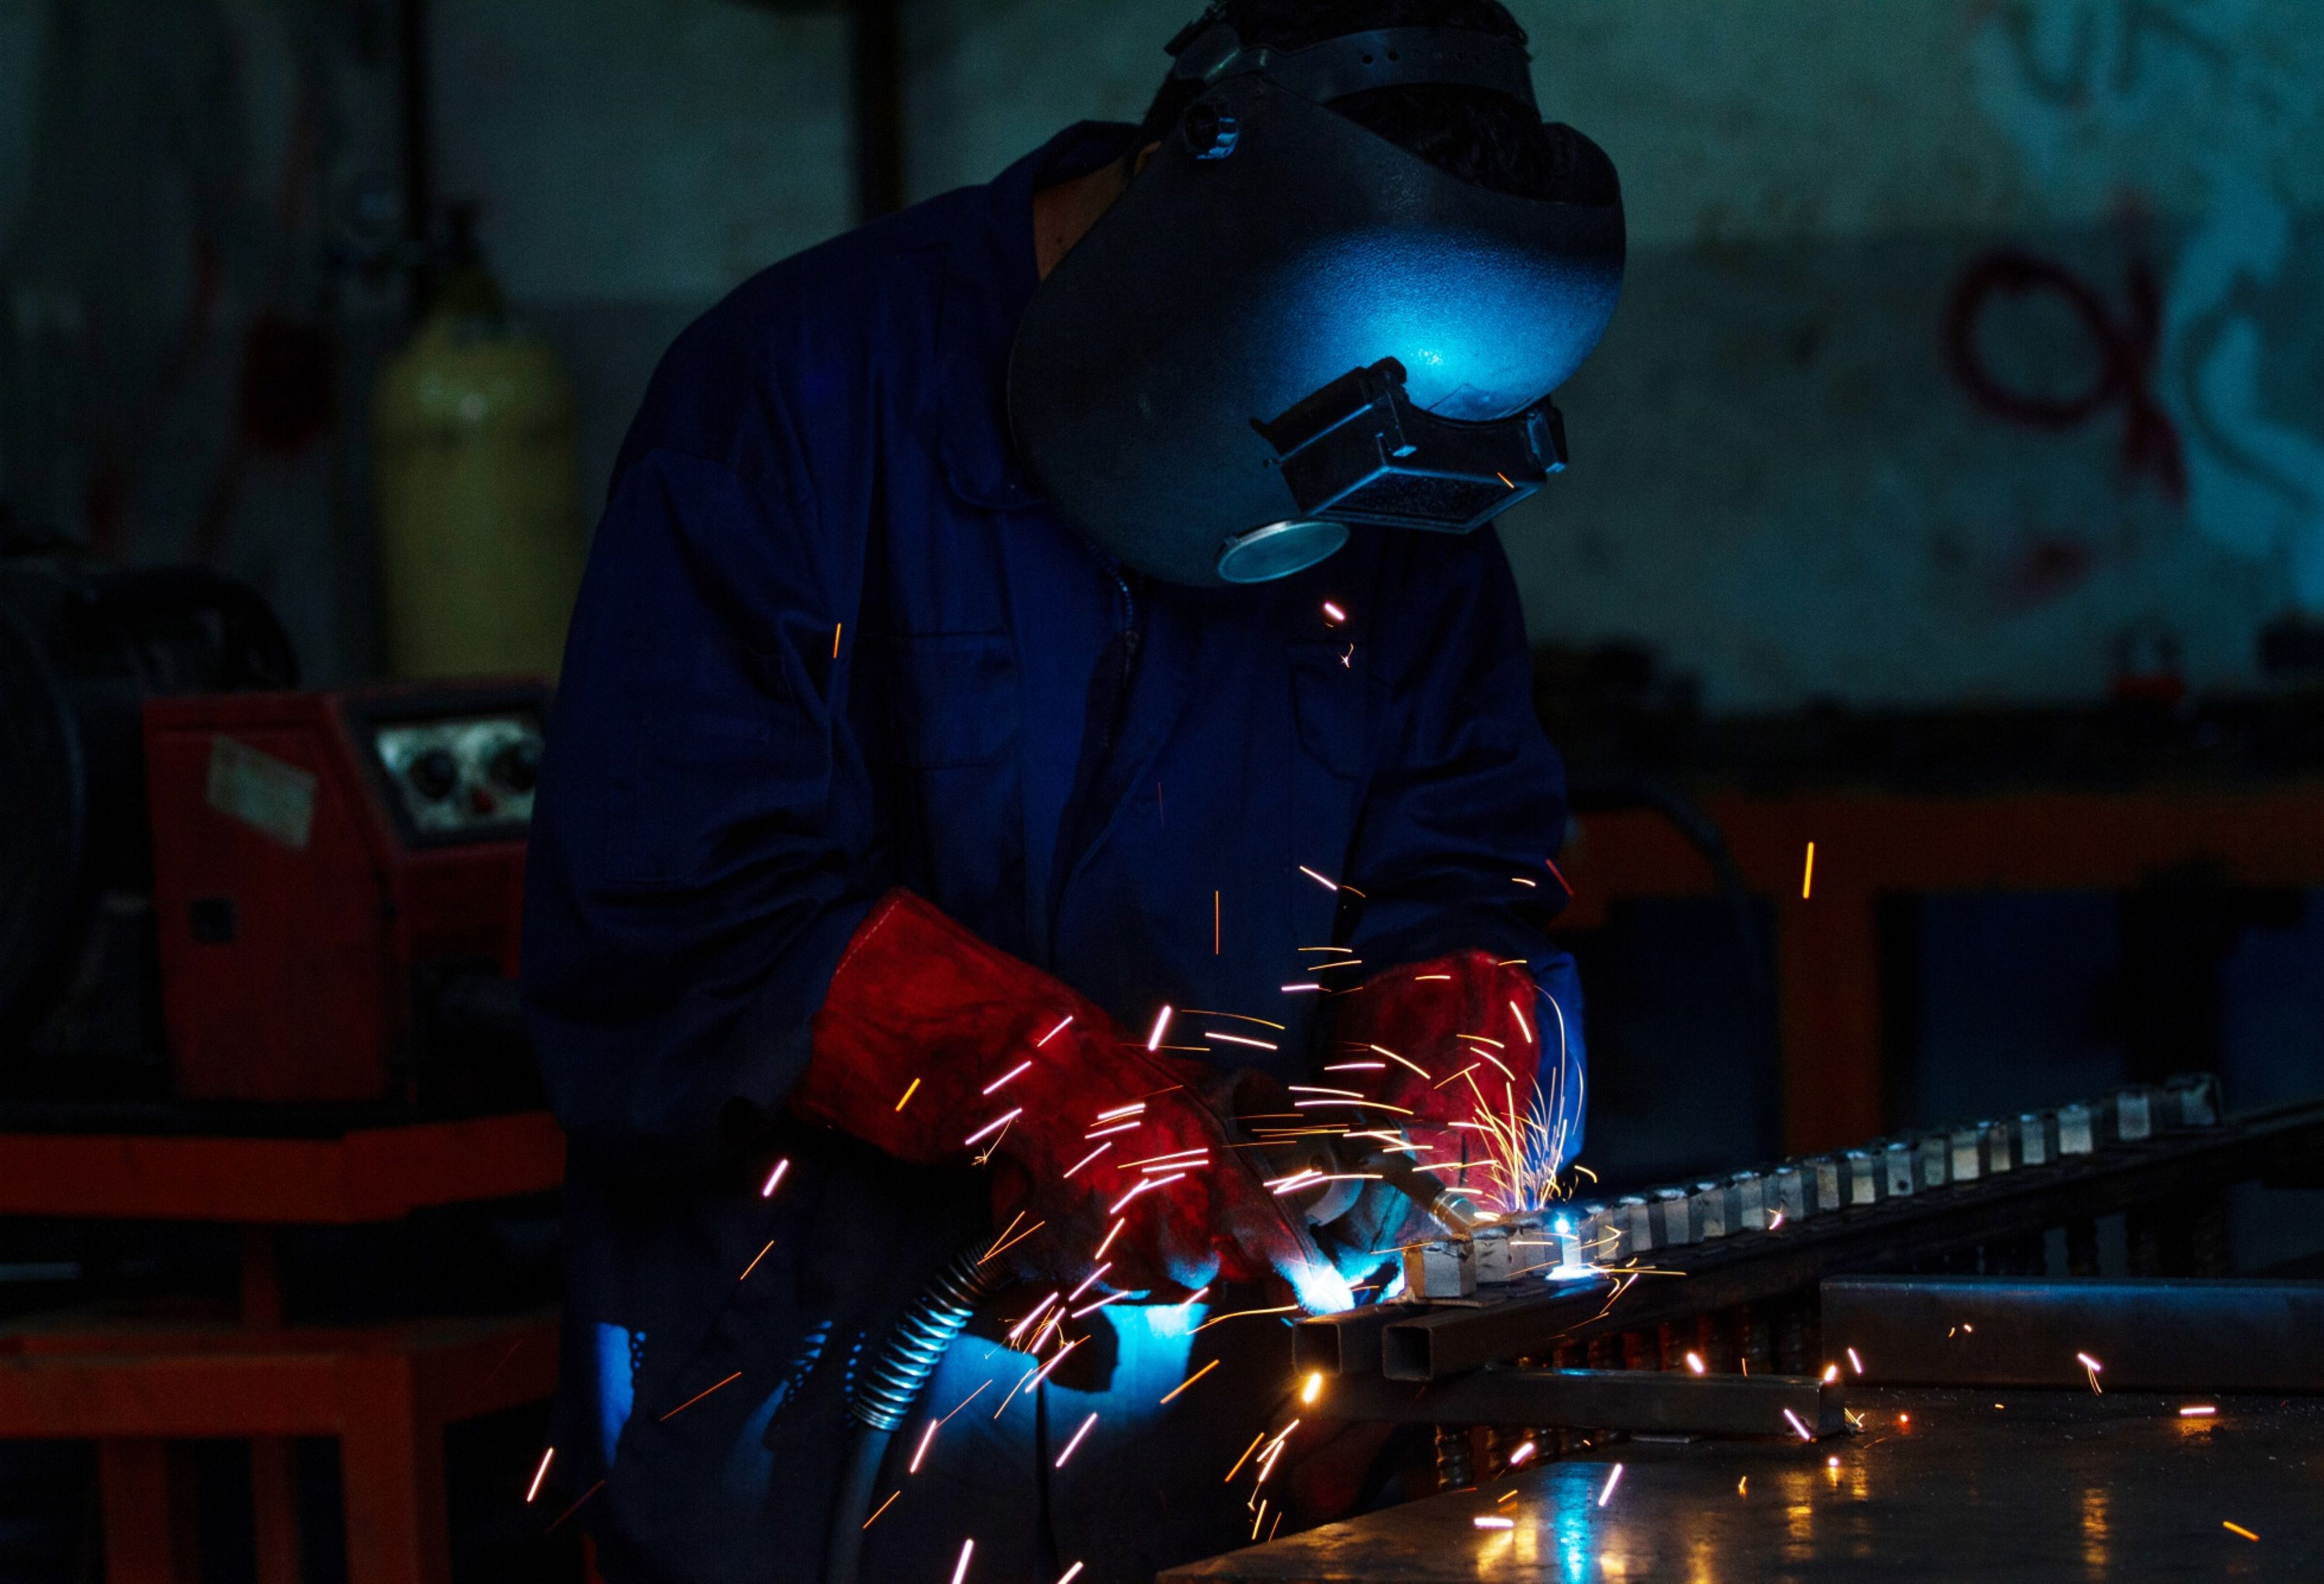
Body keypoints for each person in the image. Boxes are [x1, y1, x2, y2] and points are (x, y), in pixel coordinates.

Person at [521, 2, 1623, 1579]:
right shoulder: (794, 398)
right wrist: (1042, 1086)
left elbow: (1468, 871)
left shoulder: (1403, 474)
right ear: (1198, 200)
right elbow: (673, 914)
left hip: (1220, 1469)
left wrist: (1445, 1091)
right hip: (814, 1435)